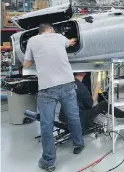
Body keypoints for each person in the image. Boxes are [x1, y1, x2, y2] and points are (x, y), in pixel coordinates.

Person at [24, 23, 84, 172]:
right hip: (67, 83)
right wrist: (73, 40)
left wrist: (38, 58)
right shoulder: (59, 37)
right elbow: (70, 43)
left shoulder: (32, 41)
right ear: (51, 29)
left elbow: (26, 63)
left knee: (46, 124)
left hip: (47, 87)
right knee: (73, 116)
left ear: (40, 31)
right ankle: (79, 144)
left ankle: (49, 161)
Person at [59, 72, 124, 130]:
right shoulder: (82, 87)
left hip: (63, 119)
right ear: (83, 72)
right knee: (103, 104)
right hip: (79, 121)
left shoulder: (67, 84)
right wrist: (97, 88)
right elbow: (90, 104)